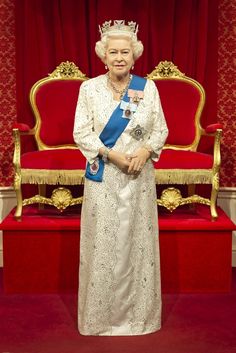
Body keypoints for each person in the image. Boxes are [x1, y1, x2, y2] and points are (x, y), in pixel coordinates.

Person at [73, 19, 168, 336]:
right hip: (105, 177)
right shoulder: (89, 89)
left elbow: (160, 130)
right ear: (103, 55)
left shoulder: (146, 87)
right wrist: (110, 154)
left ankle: (139, 318)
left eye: (125, 52)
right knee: (104, 244)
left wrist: (145, 151)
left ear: (134, 54)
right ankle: (100, 320)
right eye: (112, 51)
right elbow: (81, 132)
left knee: (135, 244)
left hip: (138, 177)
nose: (119, 57)